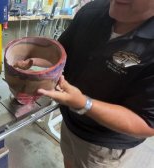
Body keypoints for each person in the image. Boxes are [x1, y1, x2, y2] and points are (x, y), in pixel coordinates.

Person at [37, 0, 154, 167]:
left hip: (103, 145)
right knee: (69, 161)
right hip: (70, 121)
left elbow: (147, 123)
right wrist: (36, 58)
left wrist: (83, 103)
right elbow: (62, 51)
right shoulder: (93, 10)